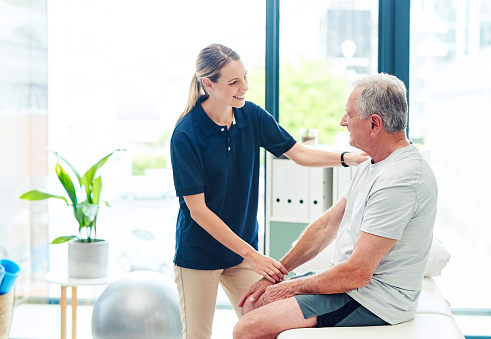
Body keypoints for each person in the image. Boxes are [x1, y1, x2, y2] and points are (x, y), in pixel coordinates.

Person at [170, 43, 367, 339]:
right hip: (199, 255)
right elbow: (198, 211)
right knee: (198, 335)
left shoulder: (251, 116)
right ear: (207, 84)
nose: (244, 87)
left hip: (241, 253)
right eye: (234, 82)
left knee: (266, 327)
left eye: (245, 78)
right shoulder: (186, 134)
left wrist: (344, 158)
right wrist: (253, 256)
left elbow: (297, 152)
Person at [234, 73, 438, 339]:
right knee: (254, 301)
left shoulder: (400, 179)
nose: (343, 122)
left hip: (375, 301)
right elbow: (326, 227)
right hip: (354, 287)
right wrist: (277, 275)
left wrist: (290, 288)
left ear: (374, 123)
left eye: (349, 115)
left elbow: (357, 274)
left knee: (246, 330)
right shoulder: (373, 163)